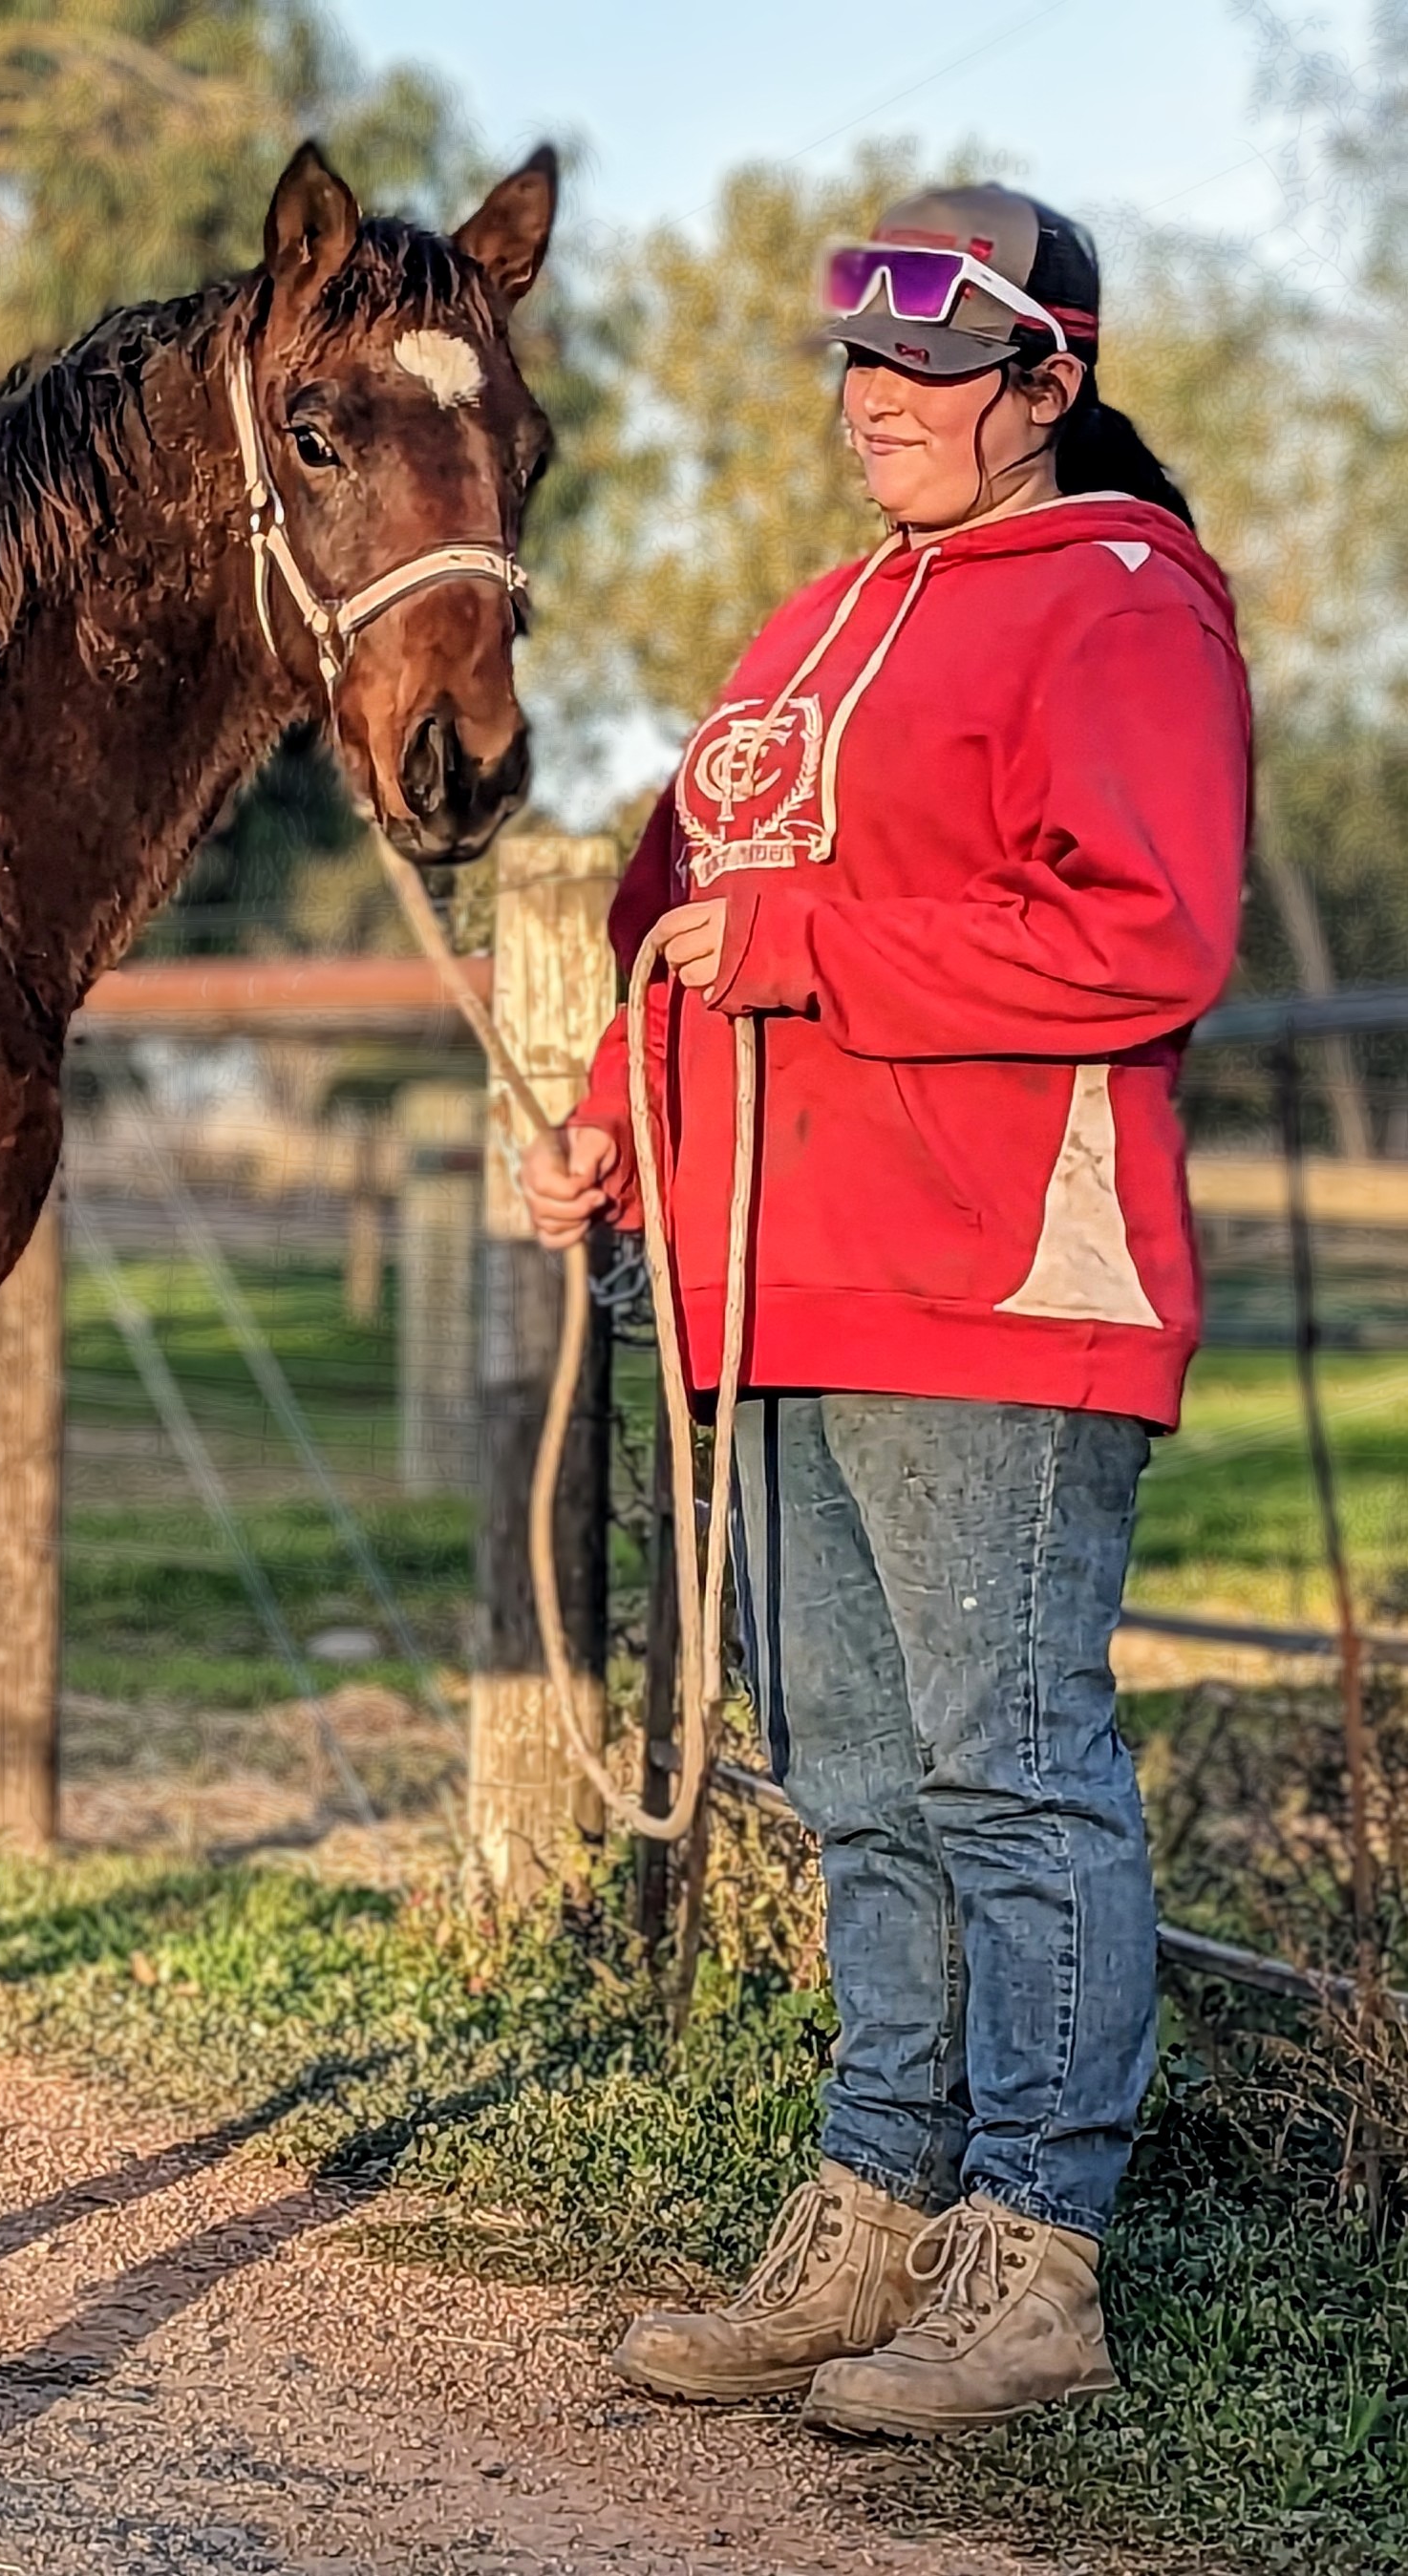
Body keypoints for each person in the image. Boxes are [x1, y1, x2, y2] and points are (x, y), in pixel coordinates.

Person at [521, 186, 1250, 2438]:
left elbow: (1144, 933)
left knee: (1003, 1766)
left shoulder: (1117, 601)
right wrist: (610, 1123)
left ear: (1046, 379)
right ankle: (867, 2213)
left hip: (992, 1278)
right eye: (855, 361)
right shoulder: (806, 623)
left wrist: (815, 954)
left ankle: (1031, 2261)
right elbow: (688, 916)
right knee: (851, 1771)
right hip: (776, 1279)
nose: (871, 399)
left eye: (924, 365)